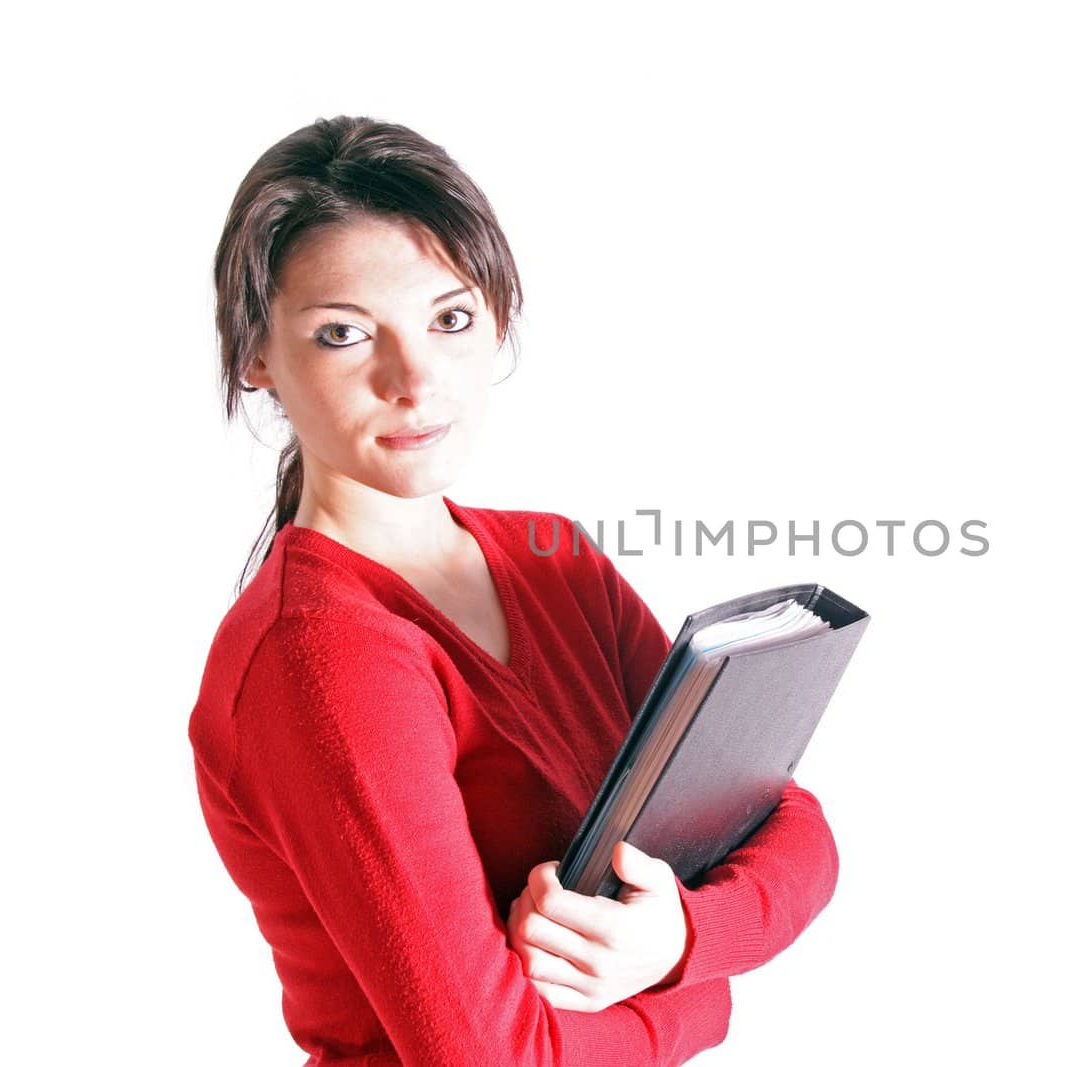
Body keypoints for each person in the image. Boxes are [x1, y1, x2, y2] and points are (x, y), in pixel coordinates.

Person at [187, 115, 840, 1067]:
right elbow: (490, 1056)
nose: (415, 380)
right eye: (342, 334)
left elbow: (789, 825)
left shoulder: (554, 561)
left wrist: (679, 940)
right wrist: (700, 995)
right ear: (256, 355)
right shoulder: (321, 653)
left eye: (449, 319)